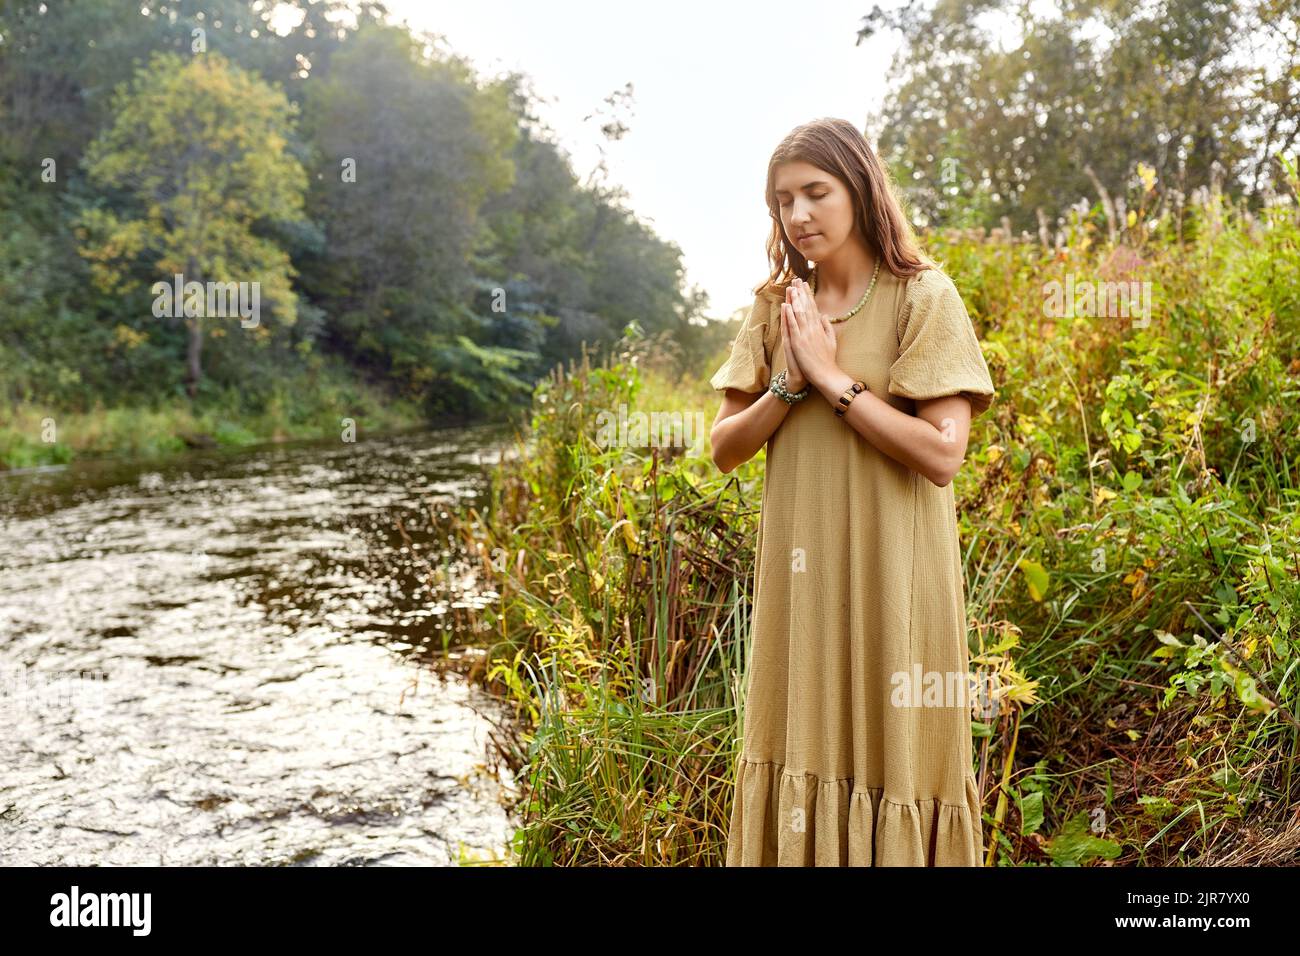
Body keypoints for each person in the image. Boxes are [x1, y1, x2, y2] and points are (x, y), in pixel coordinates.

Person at [709, 117, 996, 866]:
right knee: (799, 736)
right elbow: (724, 448)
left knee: (897, 749)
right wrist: (790, 380)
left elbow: (942, 454)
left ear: (860, 190)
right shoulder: (777, 309)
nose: (798, 216)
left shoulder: (921, 297)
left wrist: (835, 382)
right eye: (782, 201)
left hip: (896, 578)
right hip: (801, 589)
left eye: (815, 193)